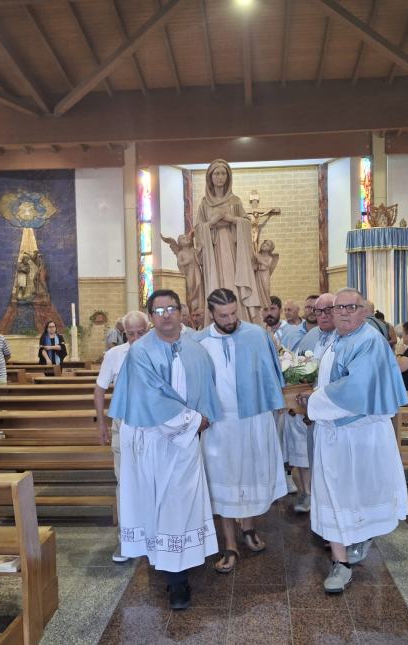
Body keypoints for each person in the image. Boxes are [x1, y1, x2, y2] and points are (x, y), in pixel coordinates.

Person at [108, 289, 221, 610]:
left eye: (172, 308)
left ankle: (179, 567)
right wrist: (193, 420)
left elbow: (207, 387)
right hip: (152, 440)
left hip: (185, 443)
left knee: (180, 504)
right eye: (159, 310)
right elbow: (151, 397)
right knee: (160, 504)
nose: (166, 315)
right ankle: (174, 579)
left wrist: (204, 417)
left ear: (182, 312)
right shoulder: (140, 352)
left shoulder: (195, 350)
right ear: (151, 316)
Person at [297, 288, 408, 593]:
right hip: (332, 435)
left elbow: (356, 389)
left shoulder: (369, 341)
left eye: (351, 307)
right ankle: (341, 561)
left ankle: (355, 542)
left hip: (360, 436)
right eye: (338, 307)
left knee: (354, 493)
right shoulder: (337, 339)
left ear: (364, 311)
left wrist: (313, 402)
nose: (344, 312)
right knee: (332, 494)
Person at [195, 288, 286, 573]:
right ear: (212, 314)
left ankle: (248, 529)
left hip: (252, 418)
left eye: (234, 313)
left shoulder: (256, 335)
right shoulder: (199, 342)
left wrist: (276, 404)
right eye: (223, 315)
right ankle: (230, 543)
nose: (230, 319)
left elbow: (271, 374)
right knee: (223, 479)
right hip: (219, 424)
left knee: (249, 474)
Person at [94, 310, 150, 562]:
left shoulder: (159, 350)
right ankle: (125, 541)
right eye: (131, 334)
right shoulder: (114, 355)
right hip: (123, 424)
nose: (136, 338)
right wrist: (102, 424)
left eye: (141, 332)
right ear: (123, 333)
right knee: (124, 482)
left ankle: (153, 535)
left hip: (153, 426)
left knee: (152, 481)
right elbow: (99, 390)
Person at [285, 292, 337, 513]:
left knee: (333, 464)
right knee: (311, 455)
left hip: (332, 411)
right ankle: (312, 497)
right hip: (307, 408)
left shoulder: (344, 338)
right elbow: (297, 367)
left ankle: (332, 507)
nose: (323, 316)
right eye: (318, 311)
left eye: (328, 310)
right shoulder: (310, 335)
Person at [194, 159, 263, 323]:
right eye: (216, 173)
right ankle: (218, 316)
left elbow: (246, 223)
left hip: (234, 253)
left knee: (235, 284)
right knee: (216, 283)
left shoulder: (235, 201)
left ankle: (240, 316)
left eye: (223, 173)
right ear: (210, 177)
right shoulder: (205, 204)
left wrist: (232, 219)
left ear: (228, 176)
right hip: (214, 254)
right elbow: (198, 229)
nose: (220, 177)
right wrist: (212, 223)